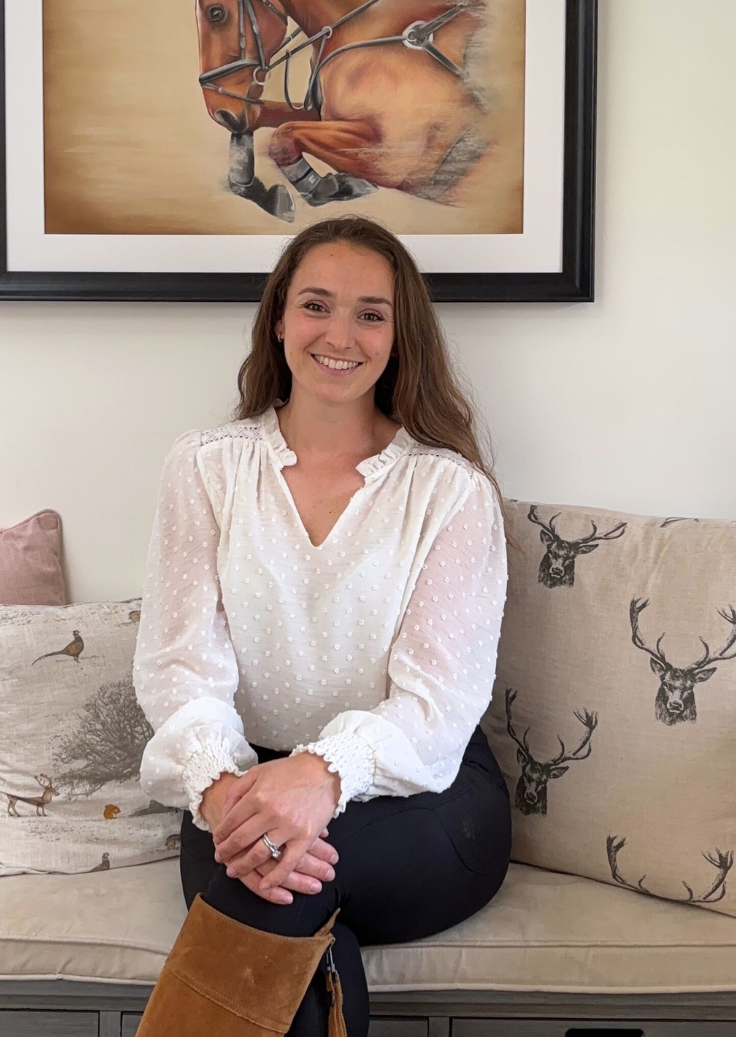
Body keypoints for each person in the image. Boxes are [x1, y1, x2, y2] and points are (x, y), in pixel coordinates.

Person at [132, 215, 512, 1037]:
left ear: (399, 335)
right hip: (235, 783)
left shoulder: (449, 492)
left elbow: (438, 704)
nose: (341, 334)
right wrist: (225, 787)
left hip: (425, 795)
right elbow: (177, 664)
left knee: (263, 889)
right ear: (278, 318)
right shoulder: (205, 467)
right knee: (278, 884)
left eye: (371, 313)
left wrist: (322, 775)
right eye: (317, 305)